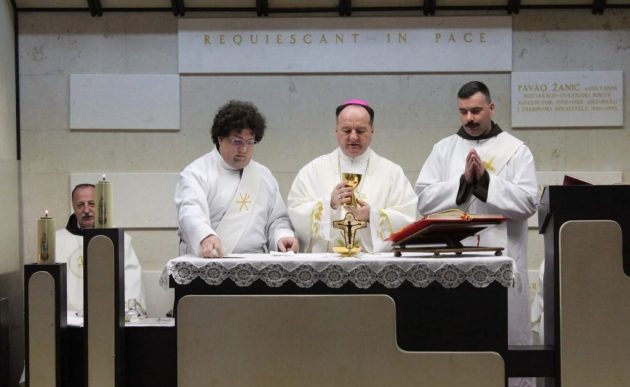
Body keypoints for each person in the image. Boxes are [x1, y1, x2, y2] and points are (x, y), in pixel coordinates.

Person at [415, 81, 538, 387]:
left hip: (504, 268)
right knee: (459, 347)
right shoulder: (443, 150)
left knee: (509, 348)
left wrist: (484, 181)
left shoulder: (516, 150)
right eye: (463, 112)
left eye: (476, 111)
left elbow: (528, 203)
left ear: (491, 108)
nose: (469, 118)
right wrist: (463, 182)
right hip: (454, 269)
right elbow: (424, 200)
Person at [288, 99, 417, 252]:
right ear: (336, 130)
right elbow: (295, 212)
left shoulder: (392, 173)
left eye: (360, 131)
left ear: (372, 130)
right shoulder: (312, 170)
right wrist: (329, 205)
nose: (354, 137)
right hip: (326, 260)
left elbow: (407, 217)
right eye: (346, 130)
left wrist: (372, 215)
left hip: (373, 263)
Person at [175, 100, 298, 257]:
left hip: (256, 263)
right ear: (220, 138)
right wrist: (205, 236)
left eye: (250, 142)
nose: (244, 149)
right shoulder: (197, 173)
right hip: (209, 261)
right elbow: (190, 211)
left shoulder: (263, 175)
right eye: (237, 141)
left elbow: (277, 220)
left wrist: (283, 236)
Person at [56, 183, 146, 313]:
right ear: (73, 207)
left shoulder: (119, 239)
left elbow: (132, 280)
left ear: (100, 204)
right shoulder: (57, 240)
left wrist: (126, 313)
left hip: (109, 316)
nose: (86, 210)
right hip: (69, 318)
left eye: (92, 203)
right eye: (80, 205)